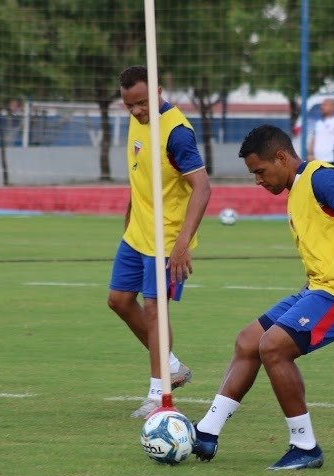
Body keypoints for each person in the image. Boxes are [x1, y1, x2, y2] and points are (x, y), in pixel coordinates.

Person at [192, 124, 334, 470]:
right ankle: (206, 432)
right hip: (320, 289)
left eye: (260, 171)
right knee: (249, 340)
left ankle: (305, 446)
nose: (258, 181)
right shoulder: (295, 190)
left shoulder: (321, 178)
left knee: (273, 347)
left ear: (281, 158)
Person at [107, 65, 211, 418]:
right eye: (129, 105)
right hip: (136, 233)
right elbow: (140, 177)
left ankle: (159, 394)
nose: (136, 111)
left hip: (166, 238)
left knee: (154, 310)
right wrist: (127, 221)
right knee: (119, 301)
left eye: (141, 103)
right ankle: (172, 366)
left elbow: (202, 187)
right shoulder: (136, 120)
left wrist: (182, 244)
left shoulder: (177, 133)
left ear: (159, 91)